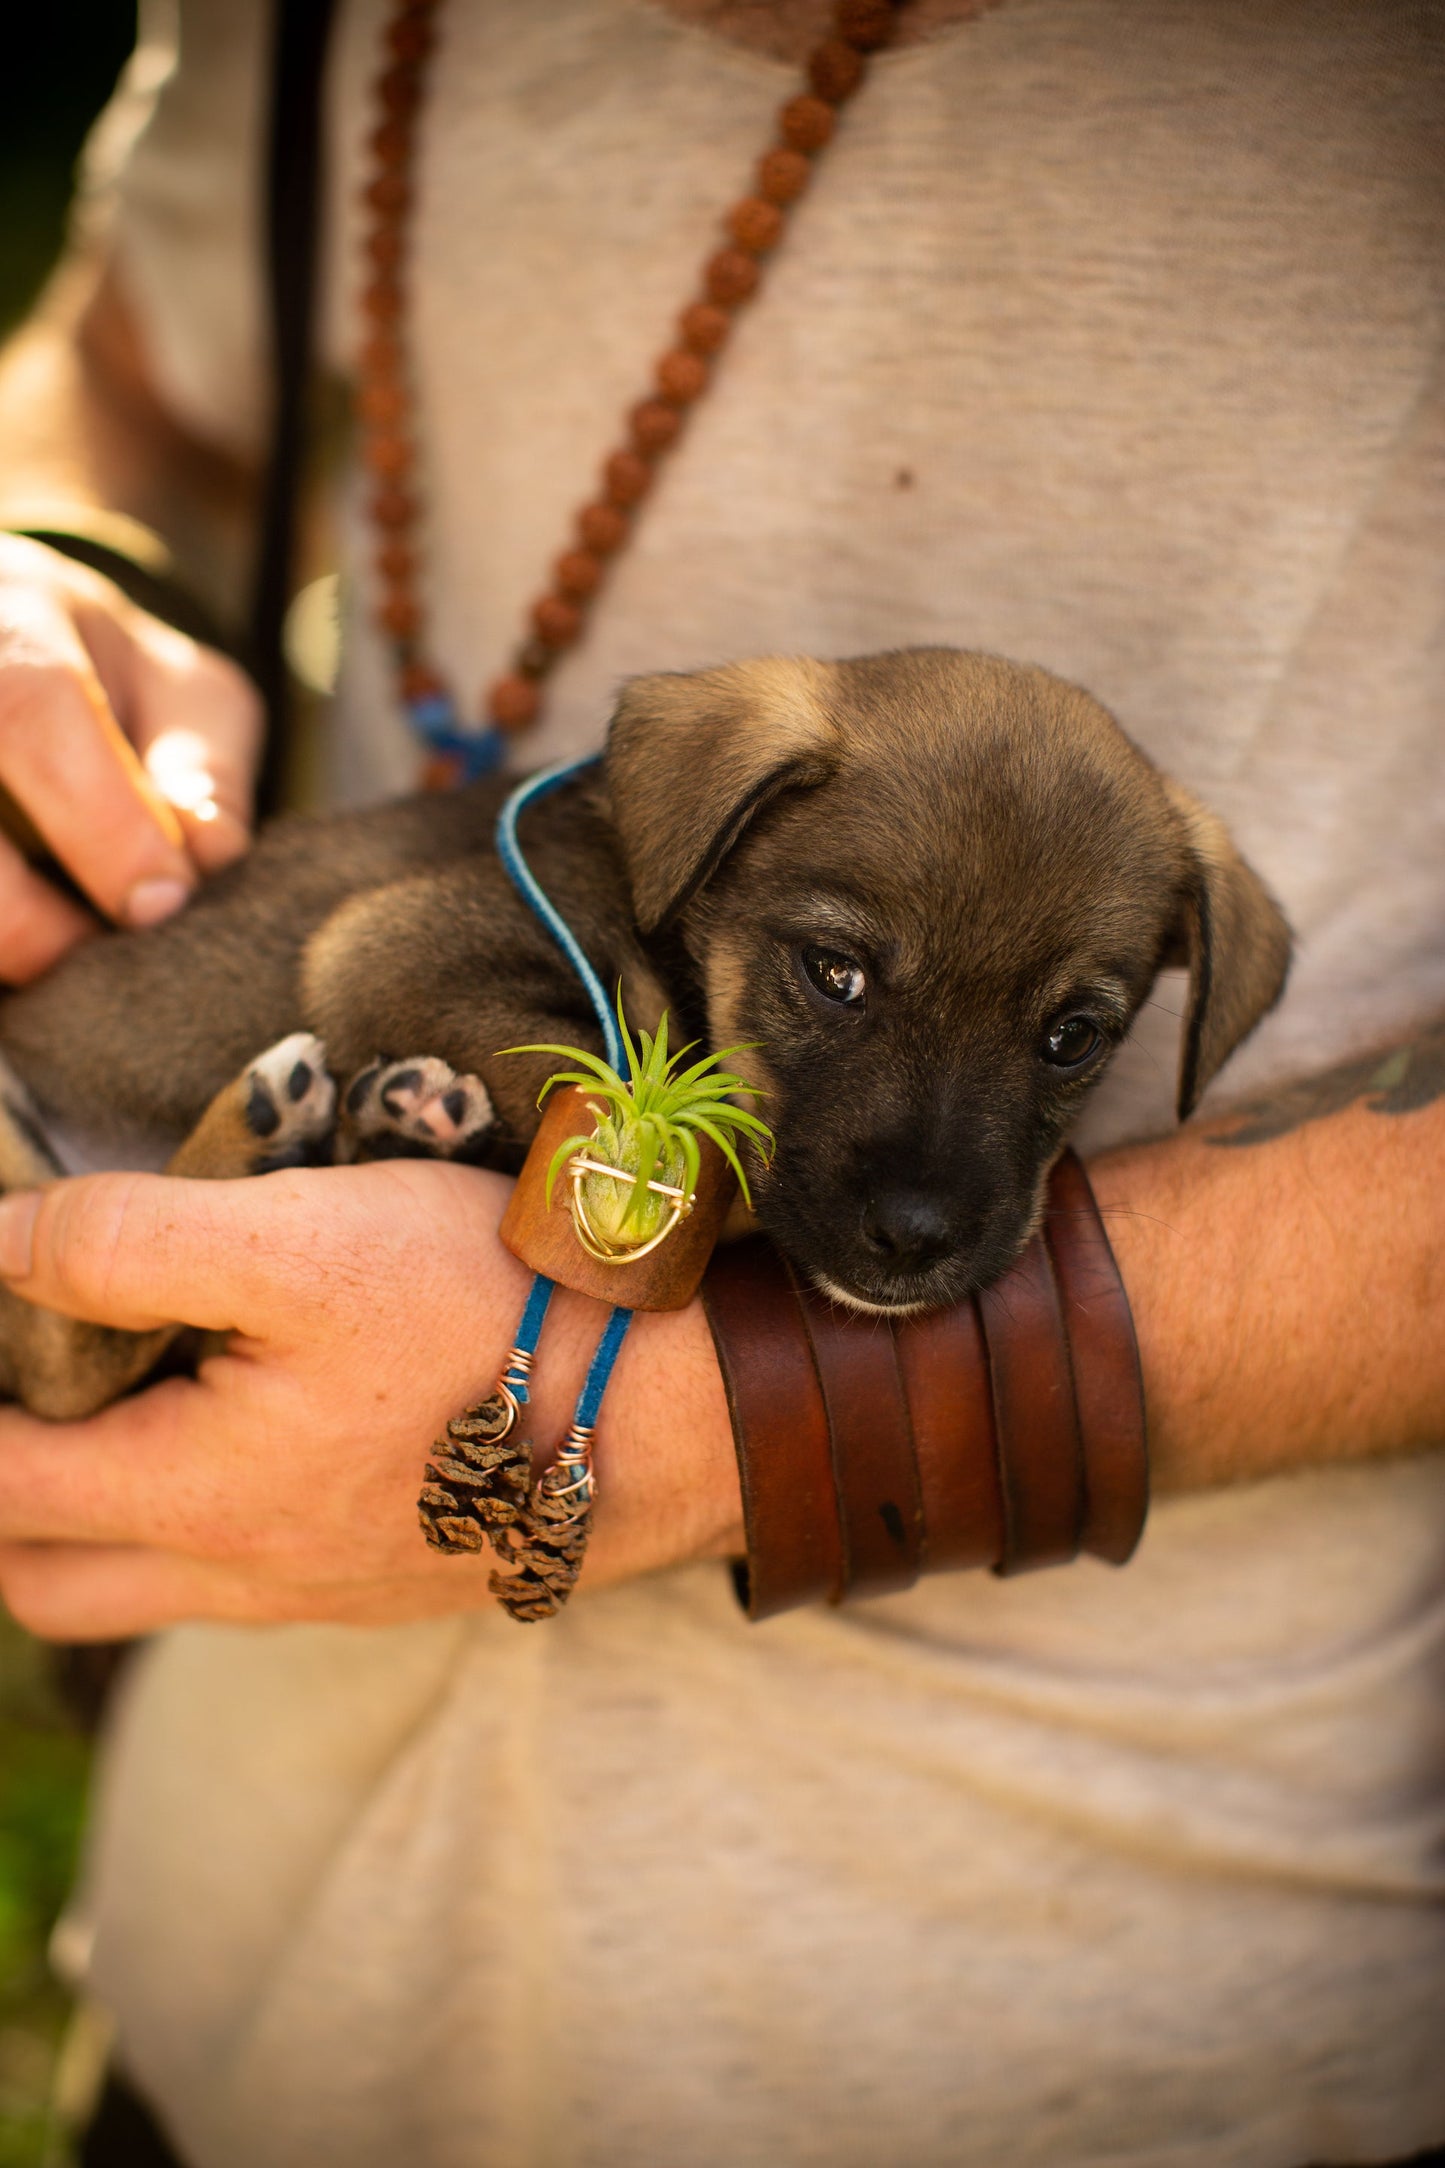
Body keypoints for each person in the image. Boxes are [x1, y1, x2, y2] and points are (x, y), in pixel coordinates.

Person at [0, 1, 1442, 2162]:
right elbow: (122, 392)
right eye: (839, 978)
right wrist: (52, 577)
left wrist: (700, 1409)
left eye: (1068, 1041)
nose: (943, 1179)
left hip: (1115, 2027)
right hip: (266, 1970)